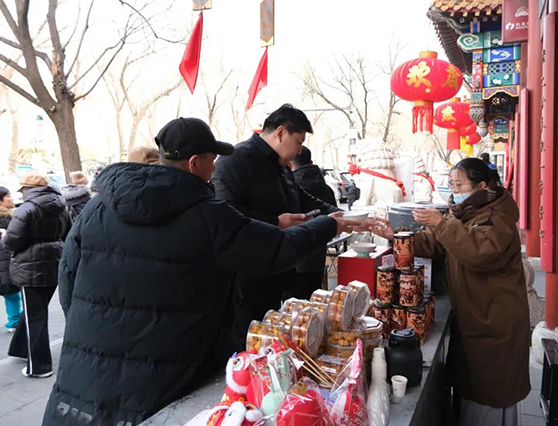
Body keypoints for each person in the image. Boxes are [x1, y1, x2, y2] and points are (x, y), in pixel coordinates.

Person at [42, 117, 356, 426]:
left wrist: (92, 330)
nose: (216, 167)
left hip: (80, 387)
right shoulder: (208, 216)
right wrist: (329, 224)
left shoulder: (97, 207)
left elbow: (67, 278)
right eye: (212, 159)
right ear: (195, 163)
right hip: (165, 382)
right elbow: (276, 250)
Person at [371, 158, 530, 426]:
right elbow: (436, 244)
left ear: (481, 186)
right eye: (452, 184)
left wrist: (441, 223)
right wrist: (396, 235)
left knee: (490, 393)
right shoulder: (466, 211)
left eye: (459, 184)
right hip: (477, 313)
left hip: (495, 318)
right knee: (474, 391)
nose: (454, 190)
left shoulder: (498, 218)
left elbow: (478, 253)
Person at [213, 104, 341, 346]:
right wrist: (275, 222)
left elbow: (302, 198)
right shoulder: (236, 159)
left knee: (270, 344)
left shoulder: (279, 166)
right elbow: (224, 213)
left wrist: (339, 216)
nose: (299, 150)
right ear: (281, 133)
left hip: (277, 273)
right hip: (247, 280)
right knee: (249, 345)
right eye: (298, 141)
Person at [3, 172, 71, 378]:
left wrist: (4, 240)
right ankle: (21, 348)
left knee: (35, 315)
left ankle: (39, 366)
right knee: (36, 310)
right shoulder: (61, 205)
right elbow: (69, 232)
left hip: (30, 266)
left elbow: (12, 241)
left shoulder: (26, 209)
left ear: (27, 189)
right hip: (55, 262)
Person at [290, 146, 337, 298]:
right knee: (313, 303)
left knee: (293, 312)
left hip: (293, 258)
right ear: (310, 161)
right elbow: (334, 215)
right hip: (318, 256)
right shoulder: (326, 188)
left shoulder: (291, 188)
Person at [0, 186, 22, 333]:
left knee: (11, 293)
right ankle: (15, 321)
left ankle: (14, 321)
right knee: (12, 293)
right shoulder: (6, 219)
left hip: (6, 261)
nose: (12, 198)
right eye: (8, 196)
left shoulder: (10, 216)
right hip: (6, 261)